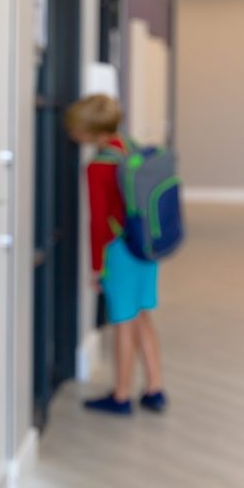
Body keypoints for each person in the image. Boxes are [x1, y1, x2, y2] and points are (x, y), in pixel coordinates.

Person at [65, 94, 166, 415]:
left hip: (119, 251)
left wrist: (97, 268)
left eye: (76, 129)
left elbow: (98, 222)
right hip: (147, 246)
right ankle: (154, 388)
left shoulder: (98, 165)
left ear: (89, 132)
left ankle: (121, 396)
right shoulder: (131, 148)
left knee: (123, 322)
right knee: (141, 316)